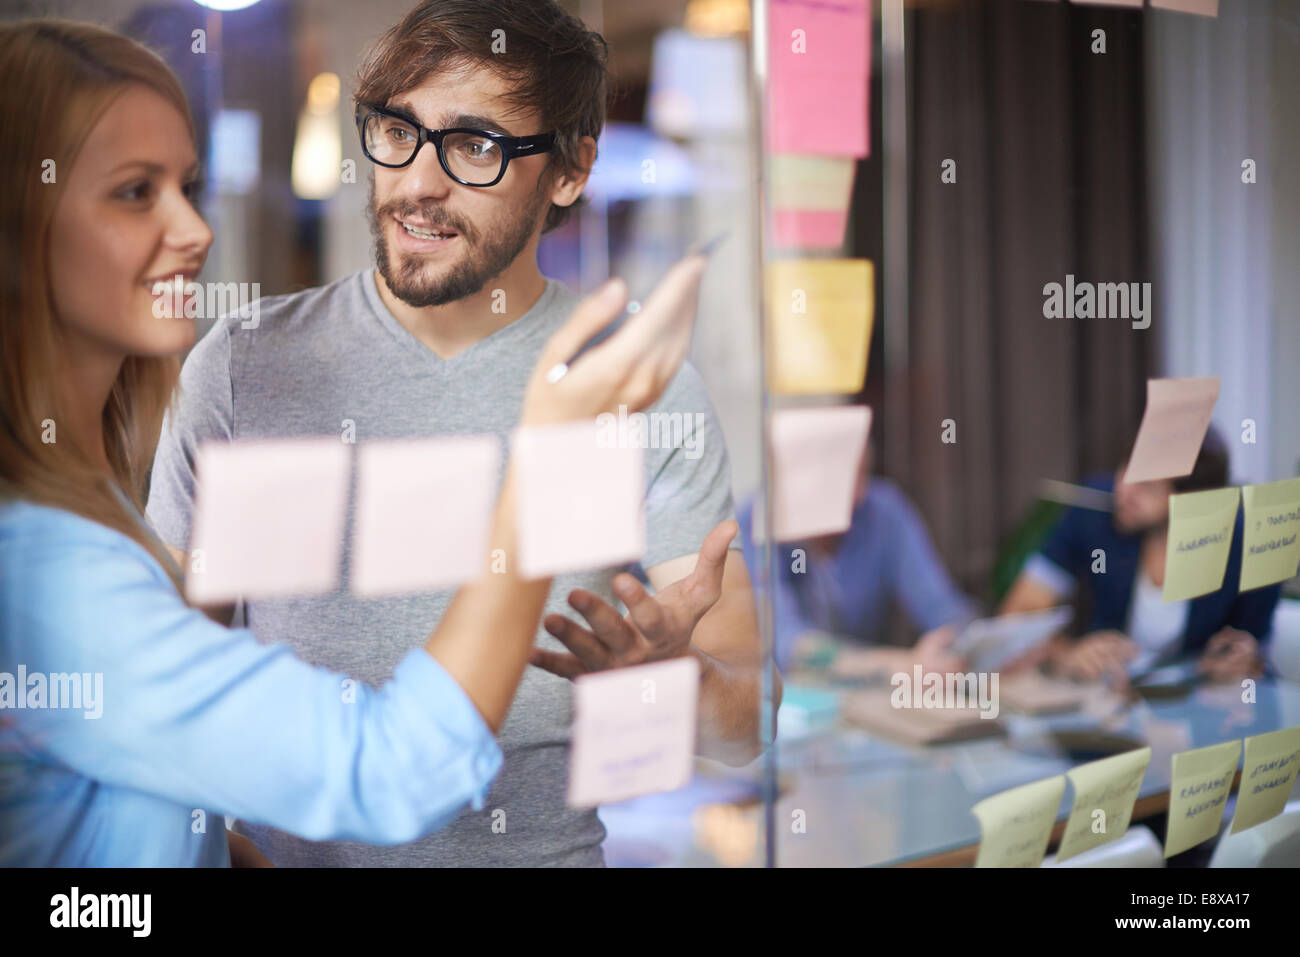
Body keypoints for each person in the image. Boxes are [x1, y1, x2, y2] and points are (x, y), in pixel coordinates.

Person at [0, 18, 717, 866]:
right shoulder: (63, 556)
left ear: (572, 170)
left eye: (476, 145)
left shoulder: (83, 518)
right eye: (398, 131)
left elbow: (169, 747)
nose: (195, 232)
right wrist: (544, 476)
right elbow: (388, 769)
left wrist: (666, 686)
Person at [999, 428, 1280, 684]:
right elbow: (1018, 614)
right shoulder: (1094, 510)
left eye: (1146, 486)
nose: (1123, 490)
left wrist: (1241, 660)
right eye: (1125, 468)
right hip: (1110, 708)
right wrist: (1068, 654)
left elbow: (1256, 650)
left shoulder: (1247, 542)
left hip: (1206, 707)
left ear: (1194, 502)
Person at [737, 441, 976, 674]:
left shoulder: (884, 511)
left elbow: (941, 606)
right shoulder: (753, 521)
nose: (857, 494)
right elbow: (789, 646)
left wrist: (959, 646)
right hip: (785, 701)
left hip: (869, 695)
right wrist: (899, 664)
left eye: (861, 475)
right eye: (838, 480)